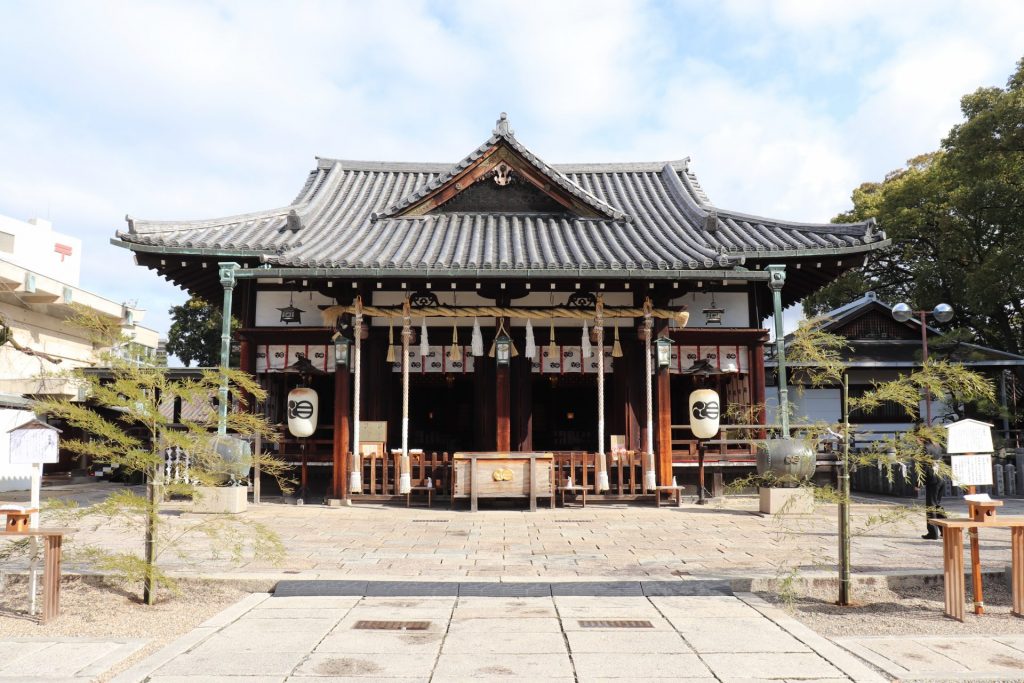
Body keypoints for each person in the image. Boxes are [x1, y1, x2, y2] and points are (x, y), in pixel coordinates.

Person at [921, 439, 948, 540]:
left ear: (921, 437)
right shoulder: (937, 445)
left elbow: (924, 467)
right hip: (940, 478)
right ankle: (945, 529)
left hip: (932, 479)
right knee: (936, 505)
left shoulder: (925, 448)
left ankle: (933, 532)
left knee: (931, 506)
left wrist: (919, 483)